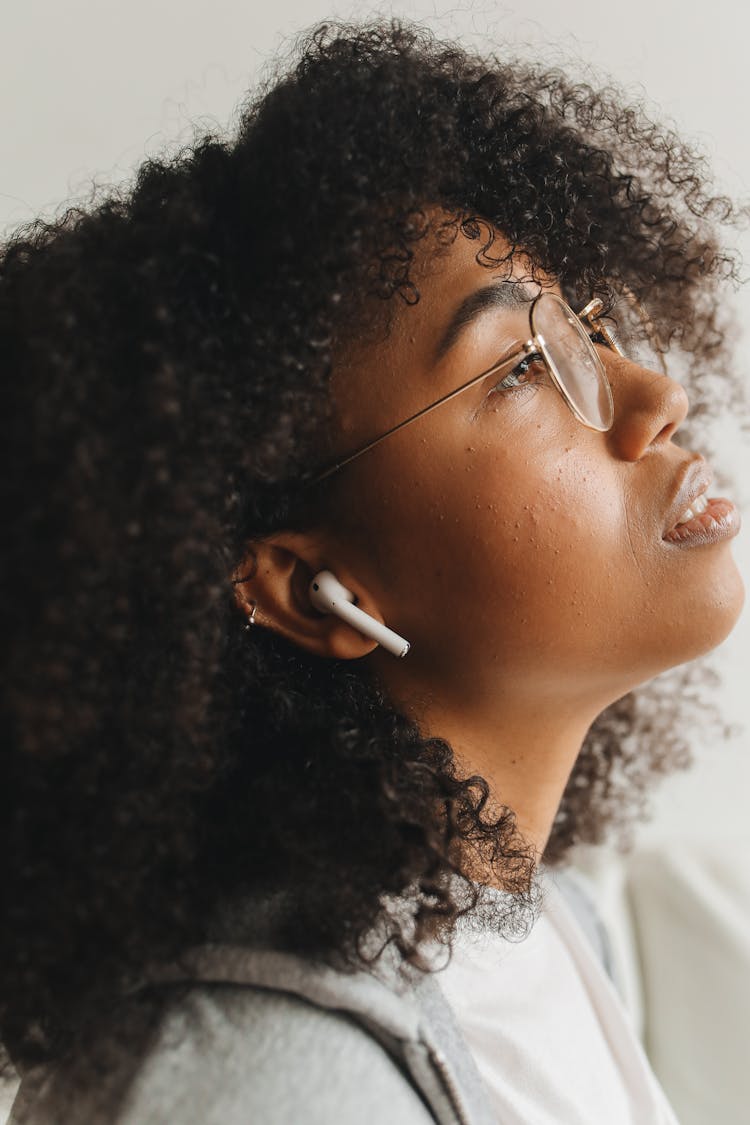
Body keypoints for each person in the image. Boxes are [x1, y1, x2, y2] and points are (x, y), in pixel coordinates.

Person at [1, 17, 746, 1125]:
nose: (652, 400)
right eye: (522, 371)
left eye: (587, 325)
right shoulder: (262, 1092)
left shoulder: (536, 933)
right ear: (315, 588)